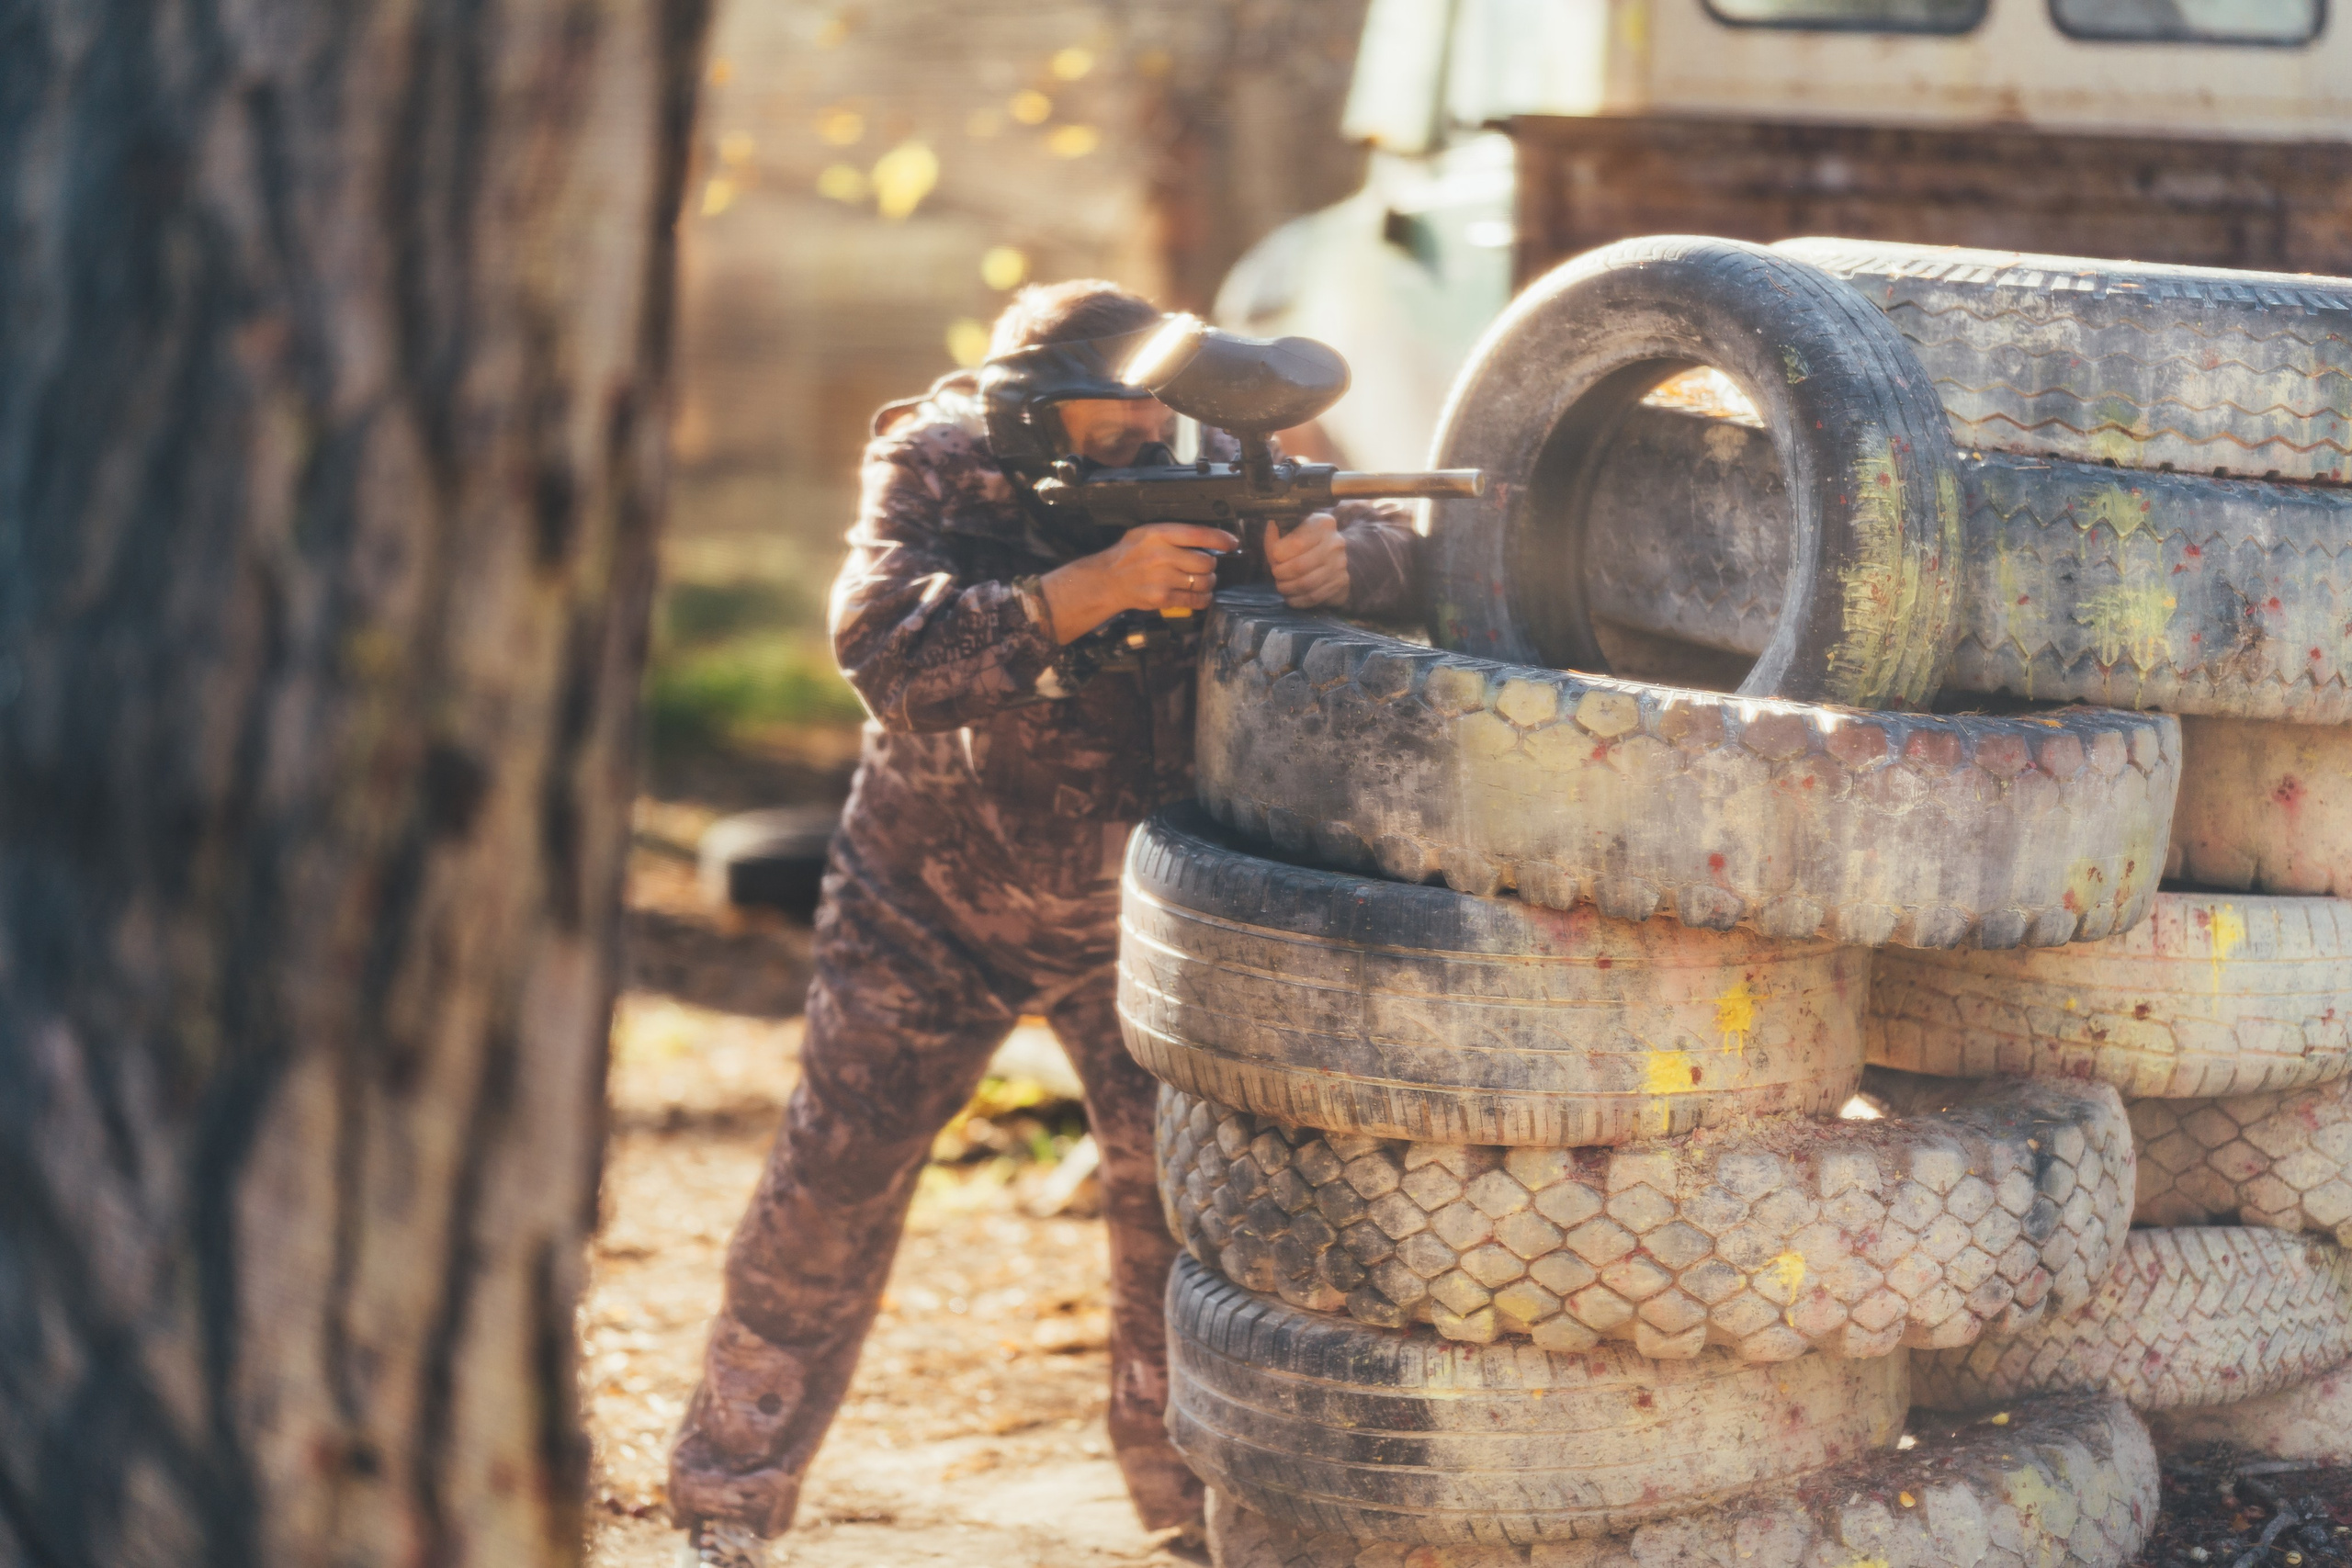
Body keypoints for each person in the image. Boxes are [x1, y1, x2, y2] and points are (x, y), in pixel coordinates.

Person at [666, 279, 1419, 1566]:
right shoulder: (940, 453)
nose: (1138, 421)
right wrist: (1096, 587)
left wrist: (1355, 559)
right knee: (829, 1188)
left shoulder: (1212, 439)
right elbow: (884, 652)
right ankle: (725, 1506)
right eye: (1110, 401)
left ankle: (1187, 1513)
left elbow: (1404, 528)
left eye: (1152, 396)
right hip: (926, 898)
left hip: (1137, 915)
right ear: (1033, 395)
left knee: (1172, 1219)